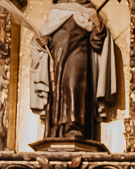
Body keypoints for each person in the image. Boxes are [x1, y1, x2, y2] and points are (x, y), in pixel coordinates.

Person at [31, 0, 118, 142]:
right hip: (57, 57)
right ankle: (56, 130)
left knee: (74, 85)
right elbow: (48, 36)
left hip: (79, 54)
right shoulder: (56, 10)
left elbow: (97, 42)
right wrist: (44, 41)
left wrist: (97, 24)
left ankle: (74, 126)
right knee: (58, 92)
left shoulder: (88, 10)